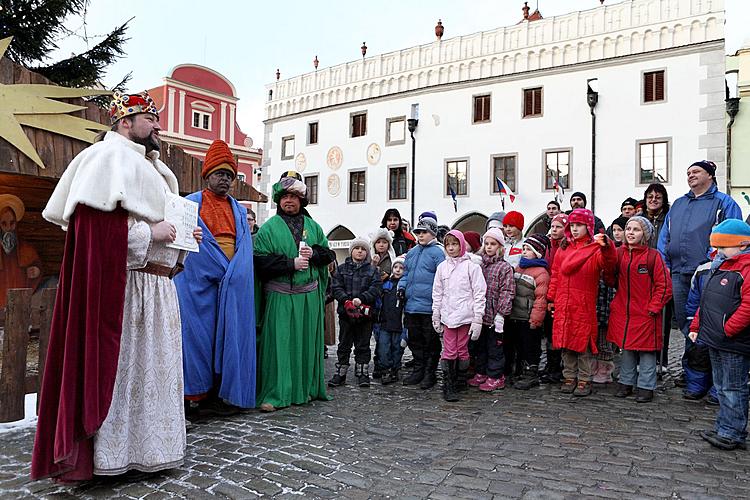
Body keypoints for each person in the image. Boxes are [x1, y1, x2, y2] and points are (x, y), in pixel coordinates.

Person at [32, 91, 200, 481]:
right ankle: (112, 458)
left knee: (152, 375)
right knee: (125, 375)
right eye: (150, 118)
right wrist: (150, 233)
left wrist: (180, 241)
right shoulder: (104, 160)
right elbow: (93, 231)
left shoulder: (157, 170)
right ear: (126, 123)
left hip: (158, 292)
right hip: (126, 292)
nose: (158, 126)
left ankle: (151, 451)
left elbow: (158, 230)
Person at [174, 139, 256, 417]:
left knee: (227, 340)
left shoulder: (239, 211)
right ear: (207, 175)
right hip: (197, 286)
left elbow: (244, 248)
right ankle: (191, 397)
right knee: (196, 340)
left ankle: (220, 396)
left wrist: (234, 274)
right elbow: (187, 244)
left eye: (229, 176)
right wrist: (218, 268)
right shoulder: (190, 204)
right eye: (220, 174)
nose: (225, 180)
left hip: (230, 287)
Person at [253, 171, 335, 412]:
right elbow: (259, 262)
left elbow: (328, 255)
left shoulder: (313, 227)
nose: (289, 201)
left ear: (302, 200)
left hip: (308, 298)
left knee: (306, 346)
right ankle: (277, 393)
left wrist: (315, 255)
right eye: (285, 196)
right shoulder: (268, 229)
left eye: (294, 197)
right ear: (278, 200)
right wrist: (290, 264)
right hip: (281, 298)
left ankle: (306, 389)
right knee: (279, 346)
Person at [658, 160, 742, 381]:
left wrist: (716, 264)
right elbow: (665, 237)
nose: (691, 175)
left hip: (709, 274)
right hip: (678, 271)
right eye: (688, 173)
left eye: (696, 171)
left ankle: (712, 375)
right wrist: (665, 264)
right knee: (686, 322)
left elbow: (733, 237)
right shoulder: (678, 204)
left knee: (708, 321)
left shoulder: (724, 203)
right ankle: (693, 371)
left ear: (710, 176)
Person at [689, 219, 750, 451]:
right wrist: (697, 326)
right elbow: (706, 302)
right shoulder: (720, 266)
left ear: (742, 244)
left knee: (733, 387)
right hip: (716, 338)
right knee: (722, 385)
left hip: (733, 342)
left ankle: (732, 432)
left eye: (723, 247)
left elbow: (748, 307)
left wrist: (728, 329)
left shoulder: (746, 269)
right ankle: (725, 427)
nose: (718, 251)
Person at [547, 209, 615, 397]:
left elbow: (608, 264)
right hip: (563, 301)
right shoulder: (564, 247)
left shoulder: (594, 249)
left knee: (583, 344)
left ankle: (584, 378)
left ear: (588, 227)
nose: (575, 229)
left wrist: (606, 247)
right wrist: (551, 299)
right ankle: (569, 376)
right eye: (572, 225)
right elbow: (556, 274)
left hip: (583, 303)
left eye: (579, 225)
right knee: (566, 343)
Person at [606, 217, 672, 403]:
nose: (630, 232)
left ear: (645, 234)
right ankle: (625, 382)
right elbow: (610, 279)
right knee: (626, 348)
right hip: (624, 311)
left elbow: (664, 286)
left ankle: (646, 386)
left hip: (645, 312)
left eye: (636, 229)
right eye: (628, 228)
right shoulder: (619, 253)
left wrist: (654, 307)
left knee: (646, 351)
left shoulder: (653, 256)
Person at [432, 230, 487, 401]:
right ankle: (448, 382)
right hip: (448, 316)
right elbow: (437, 292)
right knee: (449, 349)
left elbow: (479, 293)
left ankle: (460, 378)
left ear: (461, 245)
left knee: (462, 349)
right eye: (448, 245)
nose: (451, 248)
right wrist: (436, 313)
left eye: (454, 244)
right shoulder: (442, 267)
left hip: (465, 315)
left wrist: (478, 318)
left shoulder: (472, 267)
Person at [398, 216, 445, 388]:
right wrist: (401, 288)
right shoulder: (412, 253)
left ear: (432, 233)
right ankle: (418, 368)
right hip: (411, 305)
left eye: (424, 232)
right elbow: (405, 275)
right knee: (415, 339)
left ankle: (429, 372)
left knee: (430, 341)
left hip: (429, 307)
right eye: (418, 232)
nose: (420, 235)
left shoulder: (438, 253)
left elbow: (443, 278)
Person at [328, 238, 381, 388]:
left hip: (365, 315)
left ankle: (362, 372)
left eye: (363, 249)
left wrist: (362, 299)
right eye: (357, 248)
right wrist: (346, 300)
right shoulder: (342, 268)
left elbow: (376, 289)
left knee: (363, 345)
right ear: (351, 250)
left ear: (367, 252)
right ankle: (341, 372)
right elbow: (336, 287)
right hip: (346, 315)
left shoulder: (372, 271)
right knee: (344, 344)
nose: (359, 251)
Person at [468, 227, 515, 392]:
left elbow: (507, 291)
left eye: (493, 244)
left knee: (495, 347)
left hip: (495, 315)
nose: (489, 247)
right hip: (480, 314)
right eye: (486, 243)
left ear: (499, 246)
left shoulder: (504, 267)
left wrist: (501, 314)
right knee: (480, 346)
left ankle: (496, 376)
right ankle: (481, 371)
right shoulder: (479, 265)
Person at [509, 234, 550, 390]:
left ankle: (531, 373)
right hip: (516, 315)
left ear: (537, 252)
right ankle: (519, 371)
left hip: (529, 317)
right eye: (524, 248)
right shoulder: (519, 267)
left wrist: (536, 319)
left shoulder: (541, 272)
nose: (524, 252)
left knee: (530, 346)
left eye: (529, 249)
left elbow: (540, 299)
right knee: (518, 345)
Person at [0, 194, 42, 310]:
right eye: (4, 224)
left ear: (16, 223)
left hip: (20, 303)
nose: (9, 228)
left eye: (12, 223)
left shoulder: (26, 248)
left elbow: (37, 266)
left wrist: (36, 271)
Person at [540, 213, 567, 383]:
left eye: (558, 227)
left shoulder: (566, 247)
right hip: (547, 293)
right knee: (549, 333)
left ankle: (558, 366)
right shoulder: (547, 245)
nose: (554, 229)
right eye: (553, 226)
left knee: (558, 333)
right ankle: (551, 364)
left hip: (561, 295)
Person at [370, 227, 397, 379]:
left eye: (384, 242)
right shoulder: (371, 257)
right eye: (378, 242)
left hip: (387, 300)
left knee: (386, 336)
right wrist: (374, 269)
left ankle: (388, 363)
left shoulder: (392, 258)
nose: (381, 245)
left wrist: (388, 276)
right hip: (374, 300)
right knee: (377, 334)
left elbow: (397, 273)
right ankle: (379, 363)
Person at [376, 256, 406, 384]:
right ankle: (385, 369)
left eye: (401, 268)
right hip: (385, 322)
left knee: (397, 348)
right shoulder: (386, 284)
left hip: (399, 324)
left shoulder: (405, 285)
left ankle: (395, 368)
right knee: (383, 348)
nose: (398, 270)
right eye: (396, 267)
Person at [643, 184, 669, 248]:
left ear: (663, 201)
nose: (654, 199)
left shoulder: (669, 219)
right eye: (650, 197)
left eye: (658, 197)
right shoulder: (639, 220)